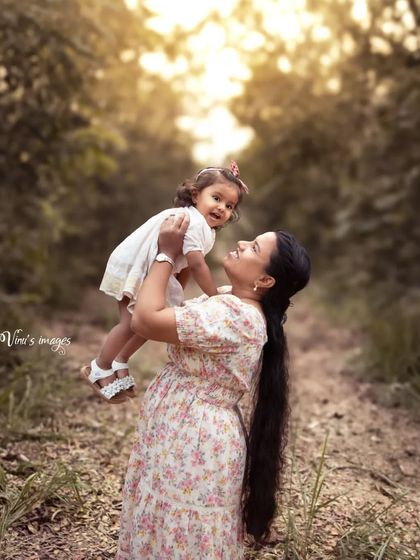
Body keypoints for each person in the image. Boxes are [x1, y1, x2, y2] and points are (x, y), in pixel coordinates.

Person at [115, 213, 311, 558]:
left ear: (264, 280)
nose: (239, 243)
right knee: (161, 522)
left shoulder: (237, 317)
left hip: (196, 441)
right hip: (182, 431)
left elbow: (146, 319)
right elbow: (165, 306)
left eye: (252, 248)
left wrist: (164, 253)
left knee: (181, 534)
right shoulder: (227, 300)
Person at [80, 163, 249, 403]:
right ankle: (99, 367)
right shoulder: (191, 222)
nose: (221, 208)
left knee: (151, 322)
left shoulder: (206, 229)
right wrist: (215, 297)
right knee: (130, 323)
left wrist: (177, 293)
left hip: (156, 270)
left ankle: (120, 360)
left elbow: (187, 267)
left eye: (229, 205)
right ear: (195, 195)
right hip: (137, 266)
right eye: (216, 198)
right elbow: (198, 265)